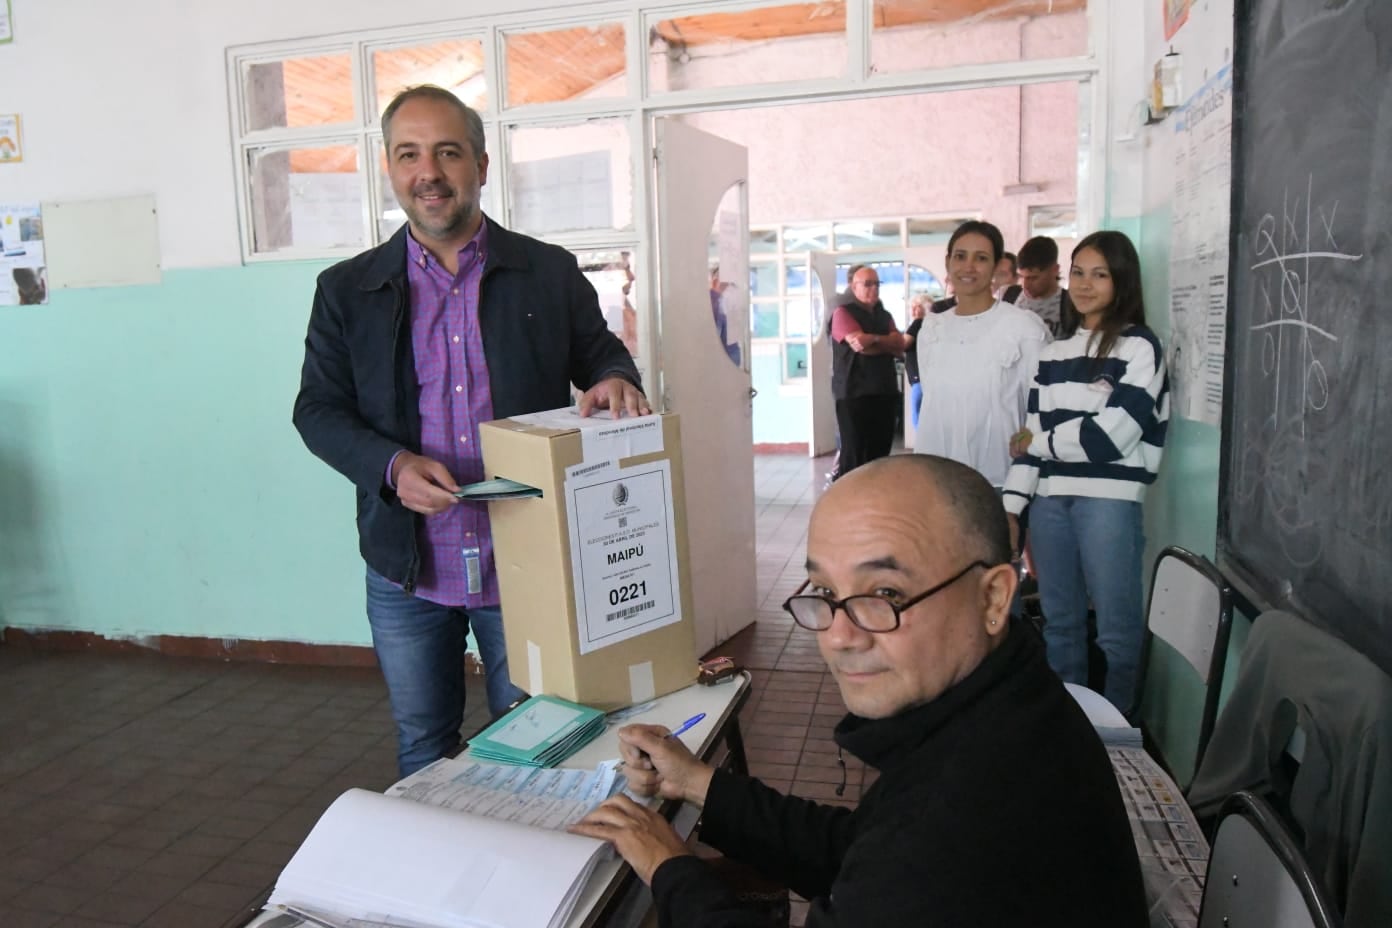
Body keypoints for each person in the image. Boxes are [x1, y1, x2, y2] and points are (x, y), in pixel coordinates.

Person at [571, 455, 1148, 927]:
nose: (840, 636)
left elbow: (901, 854)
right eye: (823, 588)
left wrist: (670, 867)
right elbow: (861, 845)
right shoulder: (1008, 705)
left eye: (887, 594)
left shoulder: (959, 822)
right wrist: (696, 782)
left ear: (994, 598)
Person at [293, 85, 648, 777]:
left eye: (448, 152)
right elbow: (318, 410)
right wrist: (392, 466)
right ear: (391, 170)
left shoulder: (547, 272)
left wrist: (613, 377)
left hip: (527, 561)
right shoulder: (346, 290)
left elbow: (601, 354)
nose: (429, 171)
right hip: (406, 564)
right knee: (425, 745)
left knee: (539, 743)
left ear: (481, 166)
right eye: (410, 154)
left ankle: (529, 876)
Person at [1003, 230, 1170, 715]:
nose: (1085, 284)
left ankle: (1119, 741)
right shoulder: (1053, 354)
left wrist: (1045, 441)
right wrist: (1012, 508)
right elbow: (1030, 445)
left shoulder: (1139, 348)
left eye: (1100, 274)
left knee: (1117, 632)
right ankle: (1069, 730)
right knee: (1061, 624)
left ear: (1122, 281)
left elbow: (1110, 439)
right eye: (1078, 272)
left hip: (1109, 504)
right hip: (1050, 504)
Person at [913, 221, 1049, 489]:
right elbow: (933, 397)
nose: (968, 267)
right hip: (939, 478)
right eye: (960, 256)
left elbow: (1042, 407)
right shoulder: (932, 328)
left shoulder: (1022, 327)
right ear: (948, 262)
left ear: (997, 266)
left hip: (1000, 480)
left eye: (981, 258)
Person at [828, 266, 906, 477]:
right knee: (855, 455)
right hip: (854, 394)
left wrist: (874, 339)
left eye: (877, 284)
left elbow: (899, 344)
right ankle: (847, 502)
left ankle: (874, 501)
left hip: (884, 391)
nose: (874, 289)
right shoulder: (842, 313)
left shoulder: (884, 314)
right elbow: (860, 346)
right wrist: (884, 341)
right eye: (868, 284)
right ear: (854, 287)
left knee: (879, 455)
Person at [1013, 234, 1074, 335]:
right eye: (1022, 277)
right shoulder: (1008, 296)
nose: (1025, 285)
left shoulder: (1071, 305)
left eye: (1033, 278)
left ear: (1055, 270)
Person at [901, 293, 931, 430]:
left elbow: (904, 344)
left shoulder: (918, 323)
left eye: (917, 307)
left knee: (917, 416)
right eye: (911, 307)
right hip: (927, 377)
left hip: (919, 379)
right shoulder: (931, 325)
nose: (913, 311)